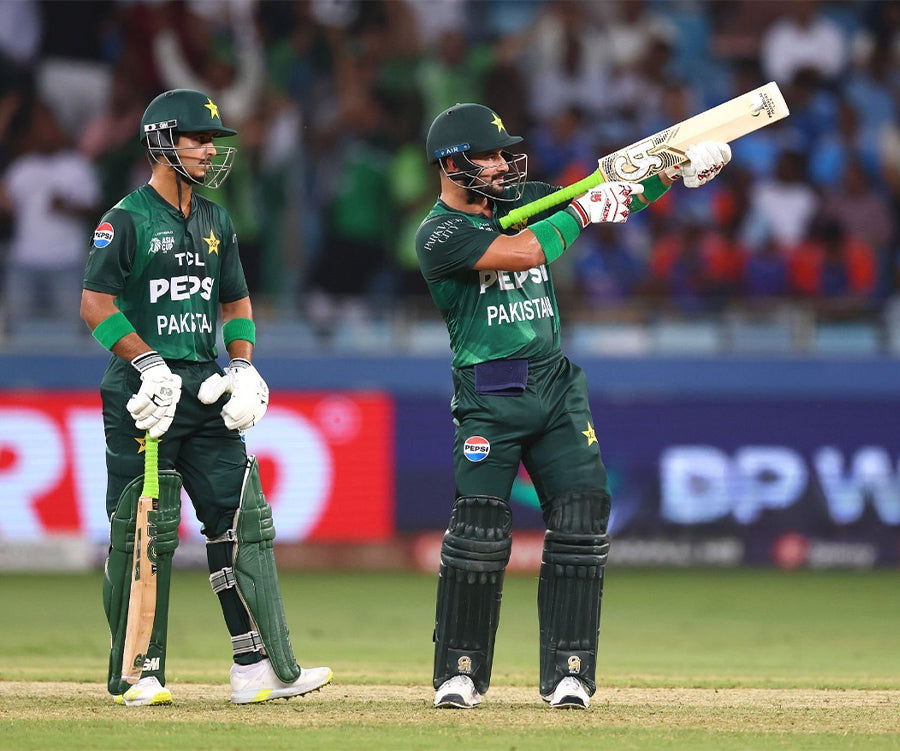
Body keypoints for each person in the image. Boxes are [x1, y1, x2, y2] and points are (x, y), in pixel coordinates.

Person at [415, 102, 730, 710]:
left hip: (555, 383)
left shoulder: (523, 197)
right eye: (491, 155)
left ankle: (570, 673)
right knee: (479, 533)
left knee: (582, 522)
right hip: (490, 392)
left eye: (508, 153)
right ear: (452, 166)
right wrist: (581, 212)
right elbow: (527, 252)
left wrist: (672, 174)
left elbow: (612, 192)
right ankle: (459, 673)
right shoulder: (438, 234)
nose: (505, 164)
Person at [80, 89, 332, 707]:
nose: (209, 151)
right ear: (163, 143)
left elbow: (237, 303)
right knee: (145, 529)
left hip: (205, 387)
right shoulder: (127, 218)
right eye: (197, 140)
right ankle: (139, 673)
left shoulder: (217, 219)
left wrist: (243, 368)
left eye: (212, 141)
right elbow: (95, 303)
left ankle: (261, 667)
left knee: (244, 518)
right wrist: (144, 362)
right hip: (144, 393)